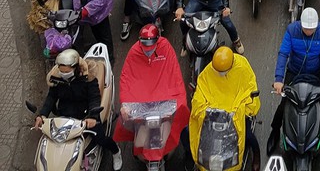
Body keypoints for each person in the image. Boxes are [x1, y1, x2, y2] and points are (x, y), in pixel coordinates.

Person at [267, 7, 320, 155]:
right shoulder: (291, 30)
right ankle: (274, 131)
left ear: (316, 26)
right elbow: (283, 54)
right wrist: (279, 79)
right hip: (294, 72)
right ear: (300, 25)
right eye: (305, 29)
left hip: (316, 73)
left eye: (311, 29)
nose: (308, 32)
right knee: (283, 106)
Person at [35, 48, 122, 170]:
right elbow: (51, 97)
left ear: (75, 68)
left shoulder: (88, 79)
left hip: (85, 117)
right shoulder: (56, 78)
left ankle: (116, 151)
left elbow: (94, 98)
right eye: (62, 71)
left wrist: (92, 117)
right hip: (64, 117)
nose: (64, 74)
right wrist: (42, 115)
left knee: (101, 139)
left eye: (67, 71)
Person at [114, 26, 189, 160]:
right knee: (131, 121)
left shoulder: (165, 47)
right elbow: (126, 78)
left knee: (181, 122)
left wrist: (180, 101)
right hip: (142, 97)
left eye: (151, 47)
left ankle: (189, 152)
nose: (148, 51)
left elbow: (174, 74)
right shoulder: (134, 52)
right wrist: (125, 103)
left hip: (164, 95)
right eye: (144, 47)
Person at [189, 46, 259, 171]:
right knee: (187, 133)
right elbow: (200, 94)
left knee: (249, 136)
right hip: (212, 115)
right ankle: (190, 156)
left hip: (236, 114)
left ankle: (256, 156)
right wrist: (203, 110)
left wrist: (243, 108)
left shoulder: (242, 67)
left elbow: (250, 89)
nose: (220, 74)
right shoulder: (208, 71)